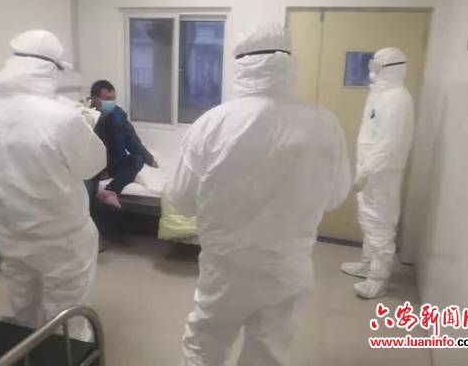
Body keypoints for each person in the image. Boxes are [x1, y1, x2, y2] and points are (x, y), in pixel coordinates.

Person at [166, 23, 351, 366]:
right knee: (269, 352)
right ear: (290, 62)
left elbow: (180, 199)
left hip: (225, 268)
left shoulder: (212, 123)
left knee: (205, 345)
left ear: (239, 64)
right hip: (287, 267)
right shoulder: (325, 123)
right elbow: (335, 197)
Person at [0, 30, 106, 340]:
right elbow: (92, 166)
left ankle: (25, 353)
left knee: (22, 308)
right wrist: (85, 125)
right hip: (62, 239)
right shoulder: (63, 116)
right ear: (51, 68)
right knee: (66, 318)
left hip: (13, 232)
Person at [340, 47, 414, 300]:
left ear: (391, 68)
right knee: (368, 220)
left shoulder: (396, 100)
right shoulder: (380, 95)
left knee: (380, 225)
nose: (372, 71)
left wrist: (365, 174)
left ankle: (378, 279)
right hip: (370, 171)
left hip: (382, 175)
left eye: (377, 66)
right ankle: (367, 264)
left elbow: (388, 145)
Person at [89, 80, 157, 209]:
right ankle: (91, 206)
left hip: (114, 163)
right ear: (94, 99)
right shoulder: (85, 116)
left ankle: (110, 191)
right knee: (88, 181)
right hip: (94, 166)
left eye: (113, 99)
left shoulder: (118, 115)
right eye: (107, 99)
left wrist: (150, 160)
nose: (111, 103)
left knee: (137, 159)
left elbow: (132, 141)